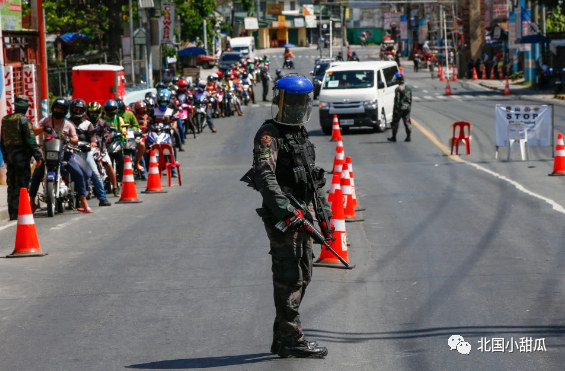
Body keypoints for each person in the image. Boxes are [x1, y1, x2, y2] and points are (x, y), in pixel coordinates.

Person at [250, 75, 332, 359]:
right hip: (285, 218)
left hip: (305, 216)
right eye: (293, 102)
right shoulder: (269, 134)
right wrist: (287, 210)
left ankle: (282, 338)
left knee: (303, 275)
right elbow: (264, 175)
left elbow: (312, 181)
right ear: (281, 102)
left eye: (302, 103)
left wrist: (325, 218)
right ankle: (293, 339)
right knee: (290, 277)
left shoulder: (299, 133)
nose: (298, 108)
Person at [29, 97, 93, 213]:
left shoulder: (69, 124)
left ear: (65, 112)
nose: (59, 111)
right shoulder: (45, 120)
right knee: (37, 174)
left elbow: (75, 139)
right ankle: (31, 202)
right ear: (53, 109)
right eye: (57, 109)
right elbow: (33, 131)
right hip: (47, 153)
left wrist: (68, 138)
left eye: (62, 110)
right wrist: (43, 128)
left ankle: (83, 201)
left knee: (78, 173)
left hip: (64, 154)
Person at [0, 96, 43, 220]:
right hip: (21, 156)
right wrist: (38, 155)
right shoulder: (24, 120)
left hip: (9, 155)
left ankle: (13, 213)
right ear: (26, 107)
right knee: (23, 184)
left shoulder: (6, 119)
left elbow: (2, 140)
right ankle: (22, 212)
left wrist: (6, 156)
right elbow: (30, 139)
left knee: (12, 184)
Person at [69, 99, 112, 207]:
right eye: (75, 109)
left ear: (84, 111)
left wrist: (92, 143)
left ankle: (102, 198)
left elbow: (93, 138)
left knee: (95, 173)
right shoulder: (67, 123)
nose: (78, 112)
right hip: (69, 152)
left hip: (84, 153)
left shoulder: (88, 124)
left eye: (80, 110)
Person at [388, 72, 412, 142]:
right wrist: (409, 107)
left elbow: (397, 101)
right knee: (407, 122)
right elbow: (410, 99)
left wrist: (395, 110)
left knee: (395, 123)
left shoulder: (398, 89)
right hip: (407, 108)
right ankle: (408, 137)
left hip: (399, 109)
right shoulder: (408, 87)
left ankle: (394, 137)